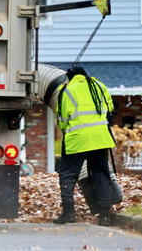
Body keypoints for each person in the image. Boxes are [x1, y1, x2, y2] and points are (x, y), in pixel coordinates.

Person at [53, 66, 116, 226]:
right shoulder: (99, 86)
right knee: (101, 174)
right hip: (100, 138)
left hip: (76, 139)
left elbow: (62, 117)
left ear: (69, 77)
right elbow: (110, 109)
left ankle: (68, 214)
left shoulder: (66, 90)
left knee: (67, 175)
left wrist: (66, 132)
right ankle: (104, 216)